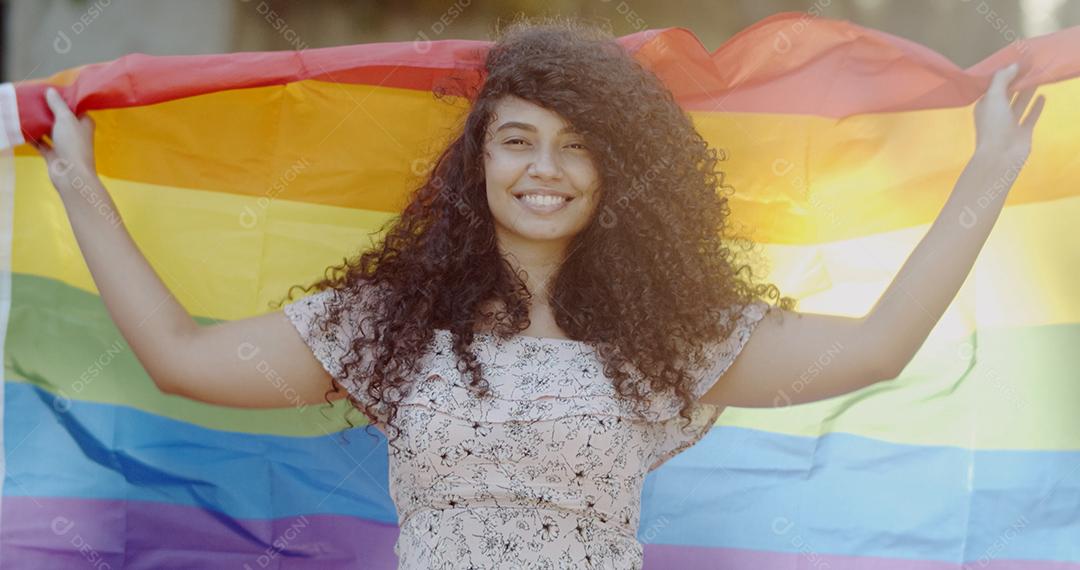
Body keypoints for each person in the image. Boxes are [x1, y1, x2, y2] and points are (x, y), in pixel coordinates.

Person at [29, 15, 1044, 570]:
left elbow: (873, 349)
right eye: (517, 140)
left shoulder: (668, 341)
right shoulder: (390, 324)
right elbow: (181, 358)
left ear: (613, 175)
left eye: (576, 147)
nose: (543, 168)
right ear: (479, 161)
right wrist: (78, 184)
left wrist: (988, 172)